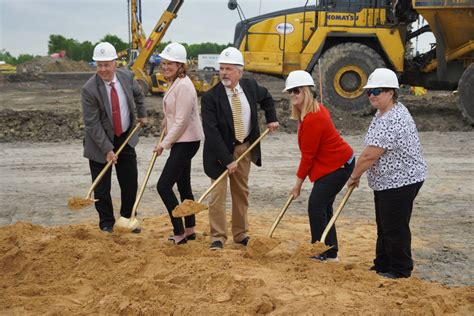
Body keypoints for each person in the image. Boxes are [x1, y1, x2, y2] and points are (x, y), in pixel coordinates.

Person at [347, 68, 427, 279]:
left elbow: (369, 156)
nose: (372, 95)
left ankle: (400, 270)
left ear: (391, 92)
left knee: (394, 227)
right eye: (369, 91)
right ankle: (382, 264)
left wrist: (354, 176)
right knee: (384, 224)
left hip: (400, 180)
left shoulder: (393, 118)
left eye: (377, 90)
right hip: (387, 181)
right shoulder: (384, 112)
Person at [201, 47, 279, 250]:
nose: (224, 73)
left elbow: (267, 98)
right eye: (222, 68)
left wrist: (271, 118)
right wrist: (227, 160)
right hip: (219, 153)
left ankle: (241, 234)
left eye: (228, 69)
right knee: (217, 195)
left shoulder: (250, 86)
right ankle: (217, 237)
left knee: (241, 192)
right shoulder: (210, 97)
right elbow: (211, 132)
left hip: (244, 147)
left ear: (240, 71)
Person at [285, 70, 355, 262]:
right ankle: (330, 252)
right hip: (333, 165)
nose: (293, 95)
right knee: (323, 207)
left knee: (316, 206)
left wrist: (297, 185)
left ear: (307, 91)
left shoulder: (314, 118)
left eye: (297, 90)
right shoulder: (309, 112)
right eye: (290, 91)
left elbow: (308, 157)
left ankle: (320, 250)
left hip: (339, 166)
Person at [81, 42, 148, 233]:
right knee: (102, 188)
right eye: (99, 65)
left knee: (129, 182)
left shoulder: (127, 76)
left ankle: (127, 219)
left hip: (125, 136)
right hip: (99, 142)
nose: (102, 69)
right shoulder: (89, 89)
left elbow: (139, 95)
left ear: (115, 63)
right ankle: (107, 223)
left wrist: (142, 115)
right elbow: (92, 123)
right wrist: (107, 149)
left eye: (106, 64)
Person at [154, 43, 204, 245]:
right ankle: (190, 229)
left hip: (186, 141)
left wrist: (164, 144)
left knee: (163, 186)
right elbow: (176, 115)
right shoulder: (177, 82)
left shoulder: (183, 85)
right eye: (164, 63)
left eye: (170, 63)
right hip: (183, 140)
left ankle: (179, 231)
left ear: (180, 65)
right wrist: (166, 121)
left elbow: (183, 121)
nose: (165, 67)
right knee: (184, 186)